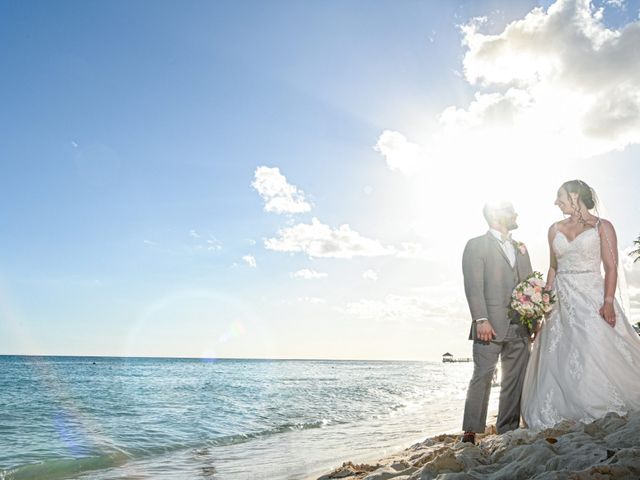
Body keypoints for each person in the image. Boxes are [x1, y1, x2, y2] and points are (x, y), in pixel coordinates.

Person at [522, 180, 640, 430]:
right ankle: (564, 407)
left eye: (560, 196)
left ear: (575, 197)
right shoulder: (554, 229)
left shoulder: (602, 227)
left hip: (591, 295)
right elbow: (553, 267)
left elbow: (610, 267)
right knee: (561, 352)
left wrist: (608, 302)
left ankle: (595, 402)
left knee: (591, 347)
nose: (557, 202)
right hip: (561, 300)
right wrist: (544, 303)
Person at [460, 201, 533, 444]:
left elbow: (529, 285)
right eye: (511, 210)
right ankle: (470, 431)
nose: (516, 214)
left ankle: (508, 429)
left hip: (520, 324)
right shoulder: (476, 245)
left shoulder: (521, 247)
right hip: (488, 324)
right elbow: (473, 286)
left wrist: (533, 319)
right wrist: (480, 319)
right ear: (496, 215)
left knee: (514, 379)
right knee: (482, 375)